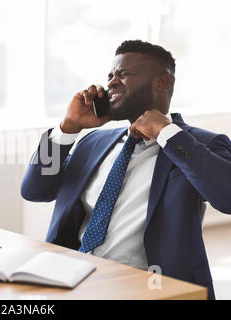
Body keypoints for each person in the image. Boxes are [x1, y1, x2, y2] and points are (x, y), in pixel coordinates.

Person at [21, 40, 231, 300]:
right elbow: (34, 190)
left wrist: (167, 133)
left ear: (161, 83)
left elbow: (227, 197)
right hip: (75, 277)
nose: (110, 83)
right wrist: (67, 128)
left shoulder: (200, 144)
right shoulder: (93, 142)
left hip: (150, 287)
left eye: (123, 75)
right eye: (109, 76)